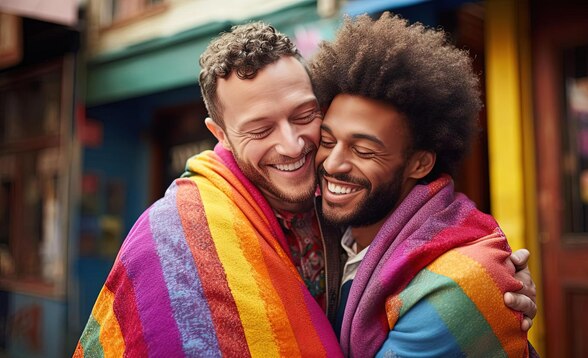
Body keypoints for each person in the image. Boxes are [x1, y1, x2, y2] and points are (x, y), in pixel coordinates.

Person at [74, 20, 536, 357]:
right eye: (260, 130)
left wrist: (481, 294)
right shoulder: (176, 237)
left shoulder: (331, 202)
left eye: (304, 116)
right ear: (221, 135)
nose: (295, 146)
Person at [310, 13, 536, 357]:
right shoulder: (321, 240)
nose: (333, 163)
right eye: (327, 140)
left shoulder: (456, 285)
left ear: (420, 163)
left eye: (364, 150)